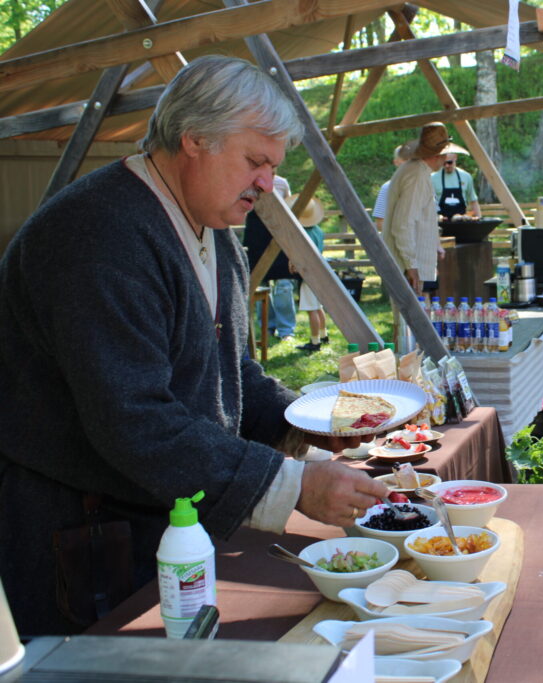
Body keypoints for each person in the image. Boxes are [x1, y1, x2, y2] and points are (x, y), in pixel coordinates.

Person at [0, 55, 388, 636]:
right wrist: (293, 484)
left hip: (161, 520)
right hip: (77, 537)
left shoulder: (211, 225)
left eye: (273, 165)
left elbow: (230, 371)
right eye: (256, 161)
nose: (267, 182)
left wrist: (310, 421)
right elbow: (134, 418)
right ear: (194, 139)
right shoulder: (97, 235)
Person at [382, 122, 465, 296]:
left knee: (416, 317)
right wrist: (411, 265)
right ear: (437, 155)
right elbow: (402, 224)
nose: (445, 160)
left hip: (410, 261)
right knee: (411, 319)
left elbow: (419, 218)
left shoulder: (417, 170)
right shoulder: (416, 175)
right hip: (406, 265)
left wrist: (433, 244)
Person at [243, 175, 298, 341]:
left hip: (279, 235)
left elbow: (289, 209)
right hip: (257, 236)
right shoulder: (249, 179)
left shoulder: (282, 183)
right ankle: (267, 327)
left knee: (283, 284)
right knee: (261, 283)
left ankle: (286, 330)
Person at [287, 194, 329, 352]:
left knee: (312, 309)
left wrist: (294, 263)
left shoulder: (303, 233)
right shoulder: (318, 230)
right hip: (321, 270)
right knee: (318, 306)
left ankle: (315, 341)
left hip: (309, 272)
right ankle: (324, 335)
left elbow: (302, 253)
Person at [373, 144, 411, 231]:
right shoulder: (388, 188)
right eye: (405, 159)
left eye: (412, 159)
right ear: (396, 162)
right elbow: (380, 223)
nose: (409, 163)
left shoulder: (423, 185)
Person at [431, 153, 480, 219]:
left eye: (449, 162)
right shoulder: (433, 178)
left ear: (455, 158)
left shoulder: (466, 176)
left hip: (462, 222)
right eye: (444, 163)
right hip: (441, 222)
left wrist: (478, 218)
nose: (447, 166)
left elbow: (473, 200)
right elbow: (428, 203)